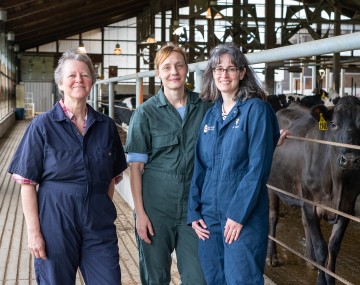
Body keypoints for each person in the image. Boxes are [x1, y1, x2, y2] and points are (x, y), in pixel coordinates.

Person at [8, 49, 127, 284]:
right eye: (71, 75)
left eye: (84, 75)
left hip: (97, 222)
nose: (78, 80)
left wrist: (98, 208)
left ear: (92, 81)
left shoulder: (106, 126)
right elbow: (27, 184)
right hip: (55, 222)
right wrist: (34, 233)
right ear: (61, 83)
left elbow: (112, 178)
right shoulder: (42, 126)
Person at [187, 42, 280, 285]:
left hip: (242, 215)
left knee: (242, 280)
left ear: (242, 73)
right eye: (218, 69)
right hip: (209, 217)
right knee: (214, 278)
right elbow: (200, 166)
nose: (223, 74)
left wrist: (238, 215)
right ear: (212, 74)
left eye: (230, 69)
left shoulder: (256, 110)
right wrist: (193, 210)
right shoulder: (211, 115)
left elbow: (258, 168)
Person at [124, 43, 213, 284]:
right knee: (156, 278)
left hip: (194, 211)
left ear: (186, 70)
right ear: (158, 73)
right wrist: (139, 213)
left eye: (179, 65)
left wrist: (268, 137)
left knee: (198, 278)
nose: (174, 71)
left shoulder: (205, 107)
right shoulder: (144, 114)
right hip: (155, 210)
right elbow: (135, 169)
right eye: (167, 67)